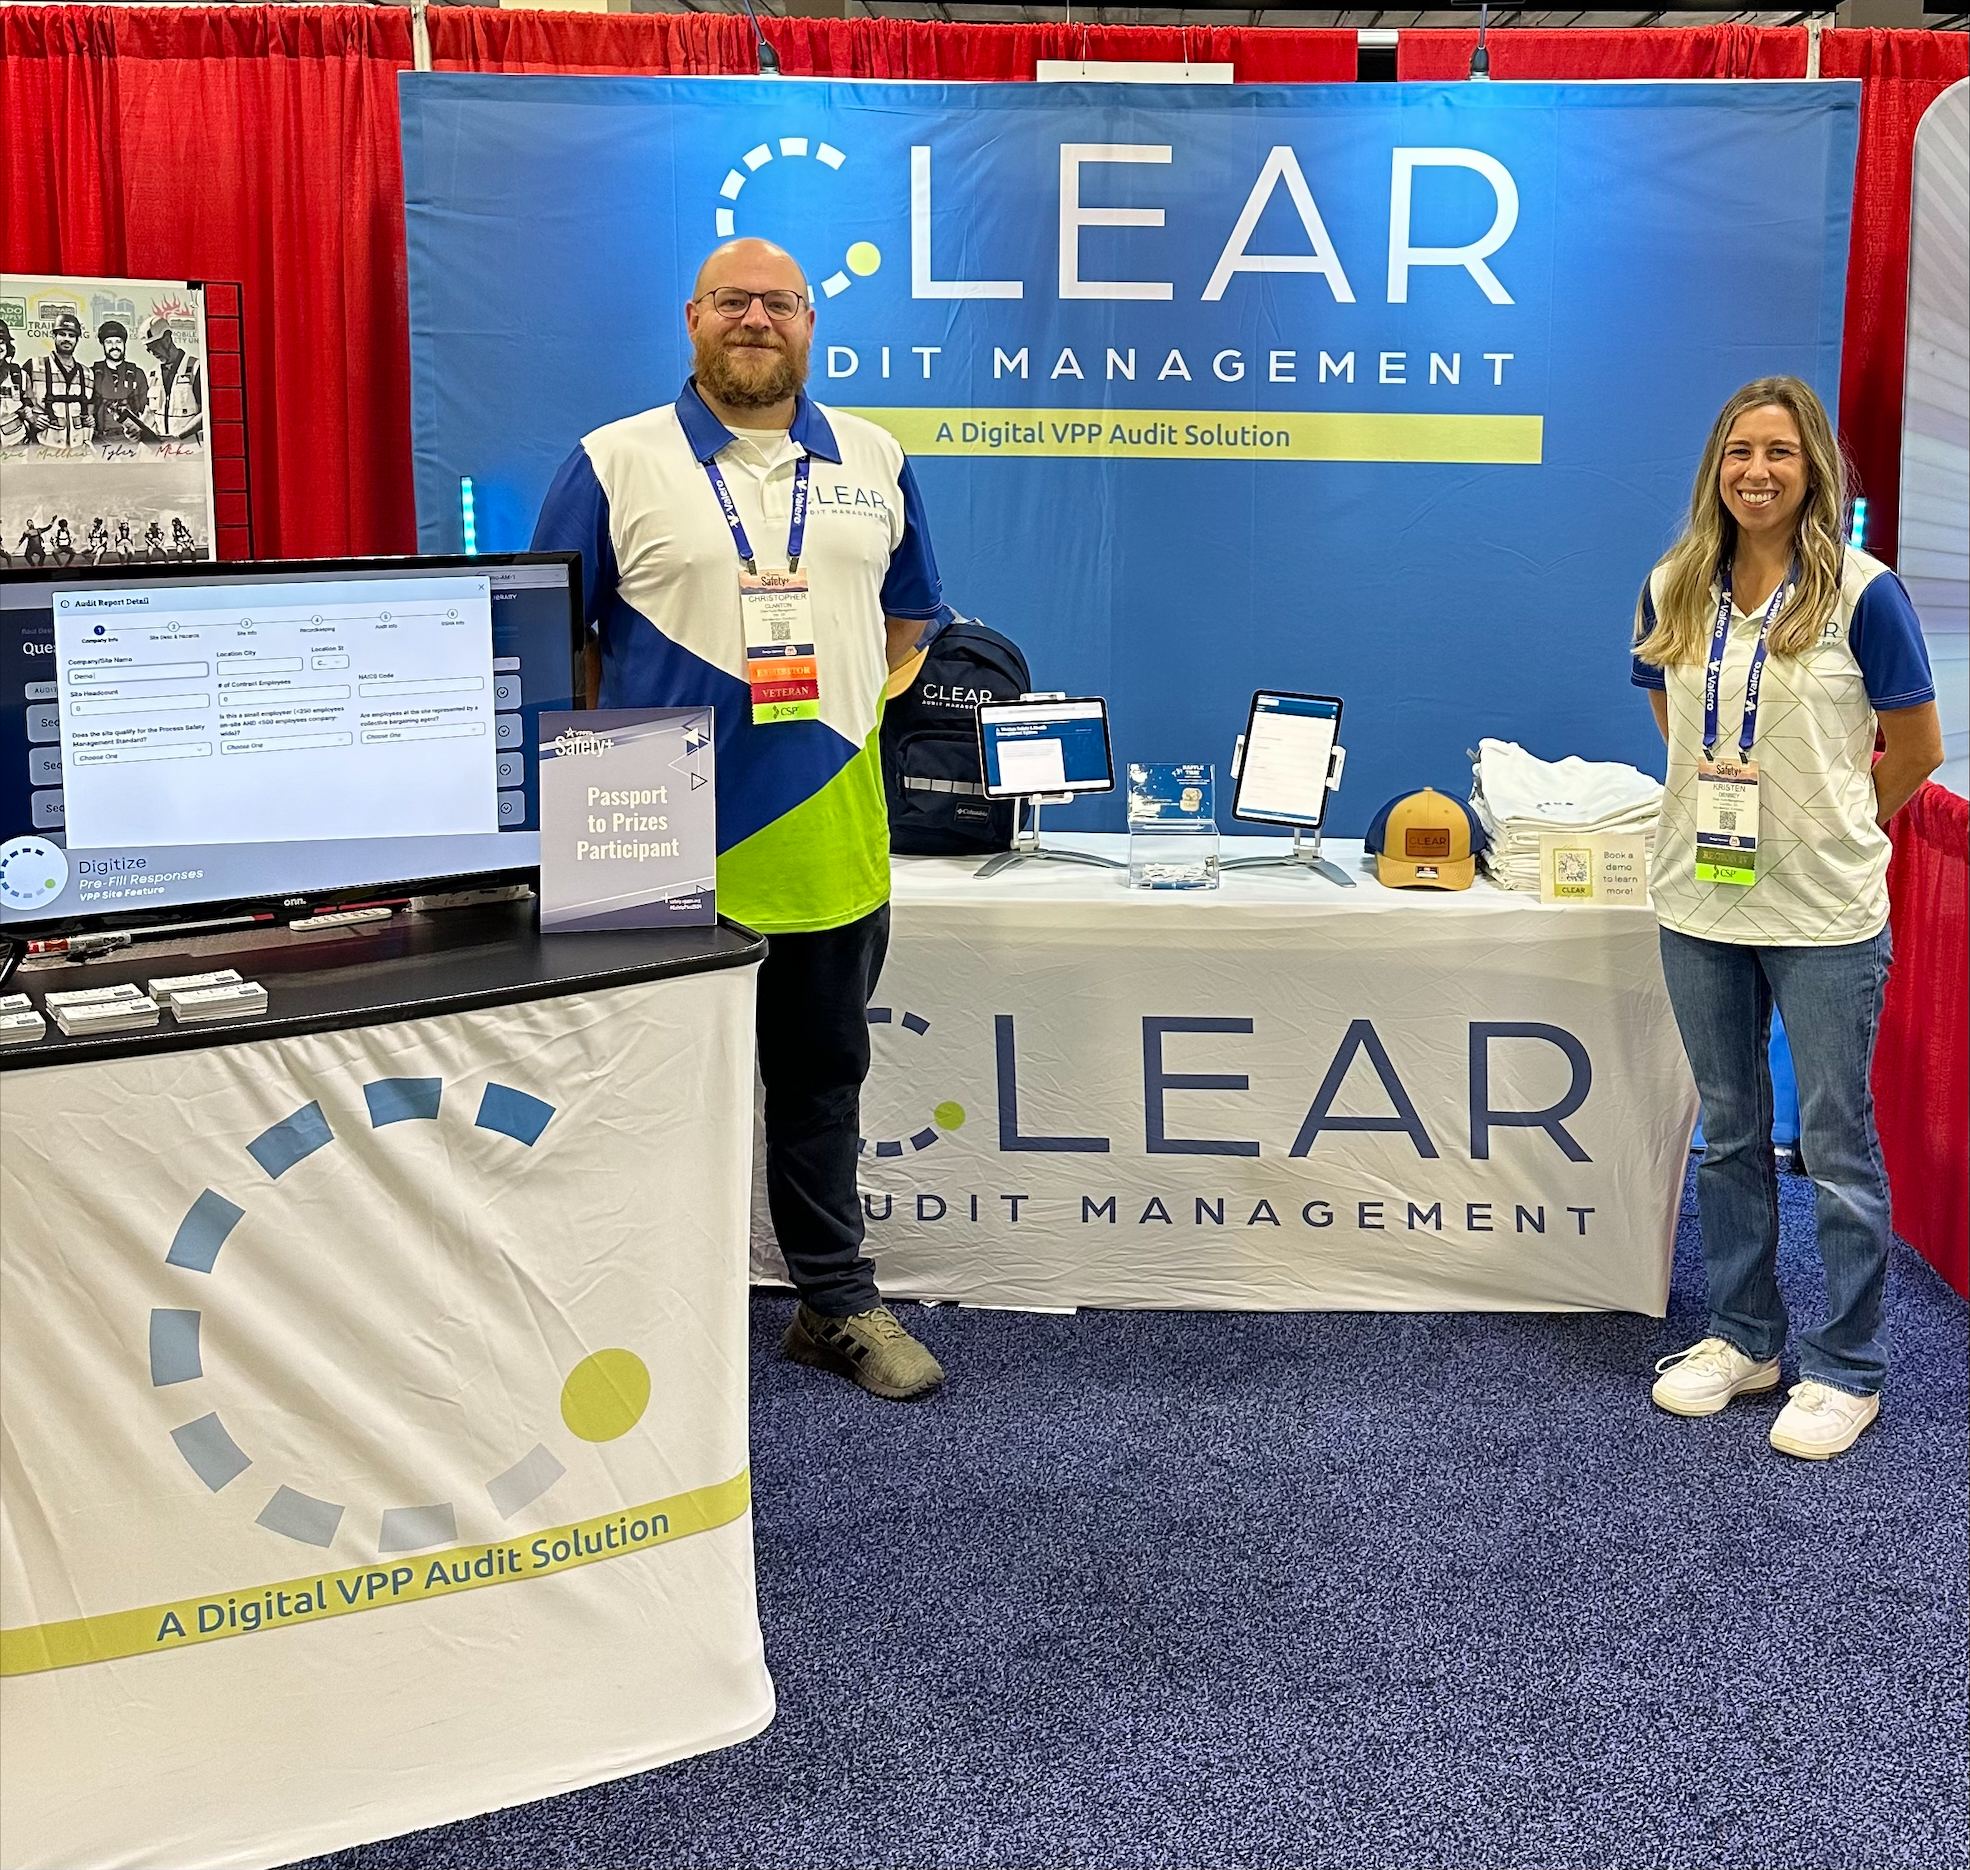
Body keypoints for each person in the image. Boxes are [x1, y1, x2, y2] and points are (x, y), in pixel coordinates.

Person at [532, 237, 947, 1401]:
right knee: (643, 1090)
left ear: (809, 323)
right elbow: (557, 640)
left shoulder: (874, 456)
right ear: (691, 318)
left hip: (827, 830)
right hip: (649, 830)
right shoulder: (612, 461)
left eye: (776, 302)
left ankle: (834, 1301)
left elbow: (909, 626)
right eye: (731, 301)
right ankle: (627, 1306)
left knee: (820, 1081)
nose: (754, 318)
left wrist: (835, 723)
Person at [1635, 376, 1943, 1460]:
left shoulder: (1863, 591)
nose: (1753, 471)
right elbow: (1673, 721)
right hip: (1699, 898)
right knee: (1726, 1132)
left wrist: (1830, 829)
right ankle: (1743, 1337)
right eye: (1735, 451)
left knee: (1832, 1140)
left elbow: (1913, 749)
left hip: (1821, 914)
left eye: (1776, 451)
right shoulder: (1672, 584)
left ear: (1811, 465)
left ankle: (1847, 1367)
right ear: (1712, 469)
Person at [22, 311, 90, 449]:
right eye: (62, 334)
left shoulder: (87, 373)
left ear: (77, 339)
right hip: (43, 446)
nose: (67, 339)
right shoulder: (33, 366)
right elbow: (18, 402)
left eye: (71, 335)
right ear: (54, 336)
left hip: (77, 449)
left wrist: (89, 421)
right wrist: (31, 418)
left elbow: (90, 407)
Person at [142, 316, 203, 443]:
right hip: (164, 453)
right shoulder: (152, 375)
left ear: (167, 338)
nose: (152, 352)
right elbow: (150, 413)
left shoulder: (196, 368)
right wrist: (137, 429)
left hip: (191, 452)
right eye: (148, 349)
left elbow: (206, 413)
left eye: (154, 345)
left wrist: (178, 438)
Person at [90, 320, 150, 442]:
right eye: (109, 342)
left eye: (118, 341)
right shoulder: (93, 373)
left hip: (131, 440)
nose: (114, 346)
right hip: (100, 440)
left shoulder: (137, 374)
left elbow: (147, 409)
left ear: (124, 344)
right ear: (103, 345)